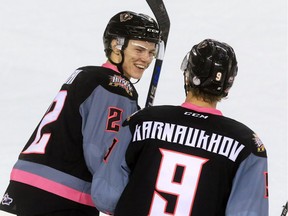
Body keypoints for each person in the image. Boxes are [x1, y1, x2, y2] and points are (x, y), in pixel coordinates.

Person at [0, 11, 161, 216]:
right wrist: (121, 198)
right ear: (116, 45)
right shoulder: (116, 87)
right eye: (139, 49)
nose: (146, 59)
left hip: (26, 183)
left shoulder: (85, 74)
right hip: (62, 196)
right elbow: (101, 152)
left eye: (151, 52)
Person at [92, 39, 269, 215]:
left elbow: (106, 196)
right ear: (227, 86)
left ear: (187, 75)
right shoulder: (248, 146)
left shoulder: (141, 122)